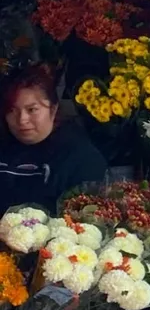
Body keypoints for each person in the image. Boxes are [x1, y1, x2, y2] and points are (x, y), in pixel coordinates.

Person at [0, 65, 106, 214]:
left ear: (53, 109)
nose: (22, 120)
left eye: (32, 110)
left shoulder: (80, 158)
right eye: (12, 111)